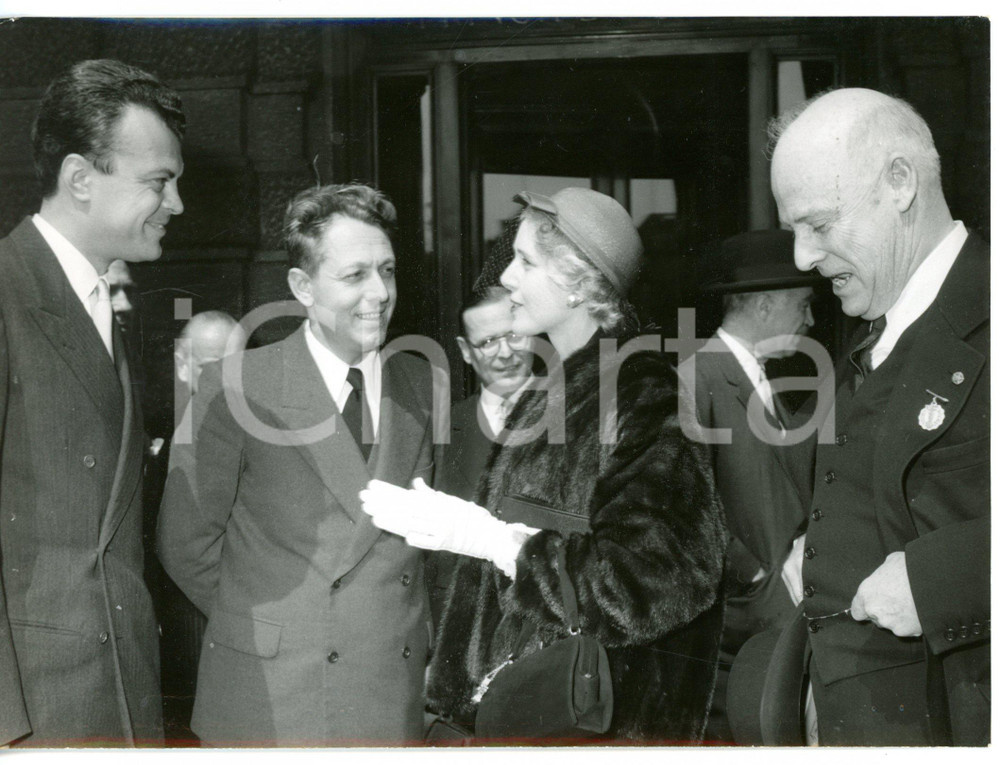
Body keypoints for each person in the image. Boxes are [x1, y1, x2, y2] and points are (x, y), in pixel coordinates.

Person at [363, 187, 727, 743]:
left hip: (595, 730)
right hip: (522, 722)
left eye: (526, 262)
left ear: (578, 282)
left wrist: (499, 542)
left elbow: (657, 581)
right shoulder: (556, 389)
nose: (507, 277)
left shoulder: (641, 391)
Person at [157, 183, 435, 746]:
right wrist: (270, 624)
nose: (380, 292)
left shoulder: (421, 383)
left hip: (391, 696)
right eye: (355, 275)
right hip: (272, 699)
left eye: (387, 270)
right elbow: (184, 543)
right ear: (302, 287)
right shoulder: (236, 384)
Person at [769, 87, 989, 746]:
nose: (803, 258)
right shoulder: (869, 338)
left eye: (819, 225)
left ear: (900, 183)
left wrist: (937, 580)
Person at [0, 58, 185, 747]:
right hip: (36, 715)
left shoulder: (102, 304)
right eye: (159, 182)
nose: (176, 205)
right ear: (80, 179)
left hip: (116, 696)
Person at [693, 230, 820, 743]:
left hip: (782, 627)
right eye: (803, 305)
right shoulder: (695, 380)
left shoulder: (765, 383)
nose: (810, 321)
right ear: (765, 305)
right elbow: (687, 512)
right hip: (744, 637)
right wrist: (755, 575)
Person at [428, 287, 532, 625]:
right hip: (461, 629)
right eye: (487, 342)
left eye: (514, 336)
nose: (505, 352)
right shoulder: (438, 430)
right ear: (466, 351)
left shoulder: (576, 415)